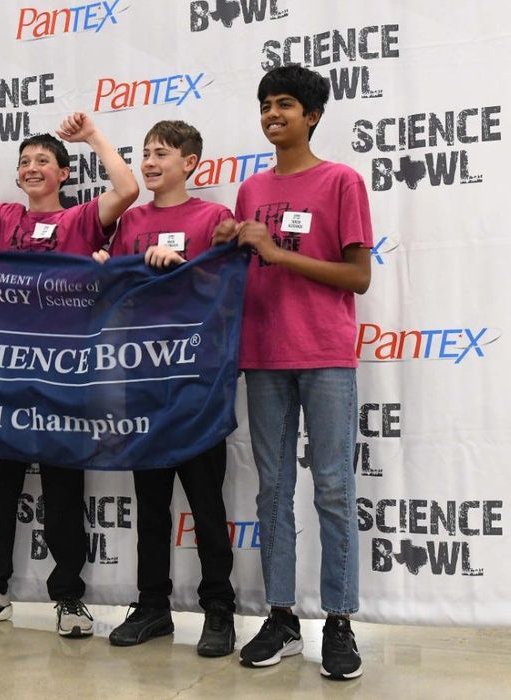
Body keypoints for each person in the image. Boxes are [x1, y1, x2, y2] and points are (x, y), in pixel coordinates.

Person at [0, 111, 138, 637]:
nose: (30, 168)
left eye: (42, 161)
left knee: (64, 486)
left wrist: (92, 135)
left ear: (64, 173)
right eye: (23, 162)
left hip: (66, 375)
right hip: (7, 372)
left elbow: (128, 187)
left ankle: (69, 599)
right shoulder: (5, 218)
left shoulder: (83, 219)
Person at [214, 65, 373, 680]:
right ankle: (281, 617)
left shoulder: (342, 181)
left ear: (312, 116)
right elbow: (246, 263)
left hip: (326, 355)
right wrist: (232, 239)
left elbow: (358, 276)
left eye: (285, 104)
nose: (273, 114)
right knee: (272, 492)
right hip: (264, 354)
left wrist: (280, 252)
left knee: (333, 489)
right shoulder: (251, 190)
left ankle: (340, 622)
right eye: (264, 105)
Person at [93, 120, 237, 656]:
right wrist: (110, 270)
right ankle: (152, 606)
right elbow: (117, 299)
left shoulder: (214, 217)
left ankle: (218, 609)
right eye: (145, 153)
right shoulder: (130, 222)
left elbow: (226, 293)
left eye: (162, 154)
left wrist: (182, 270)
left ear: (191, 163)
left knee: (205, 502)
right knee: (150, 503)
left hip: (198, 385)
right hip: (143, 383)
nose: (150, 162)